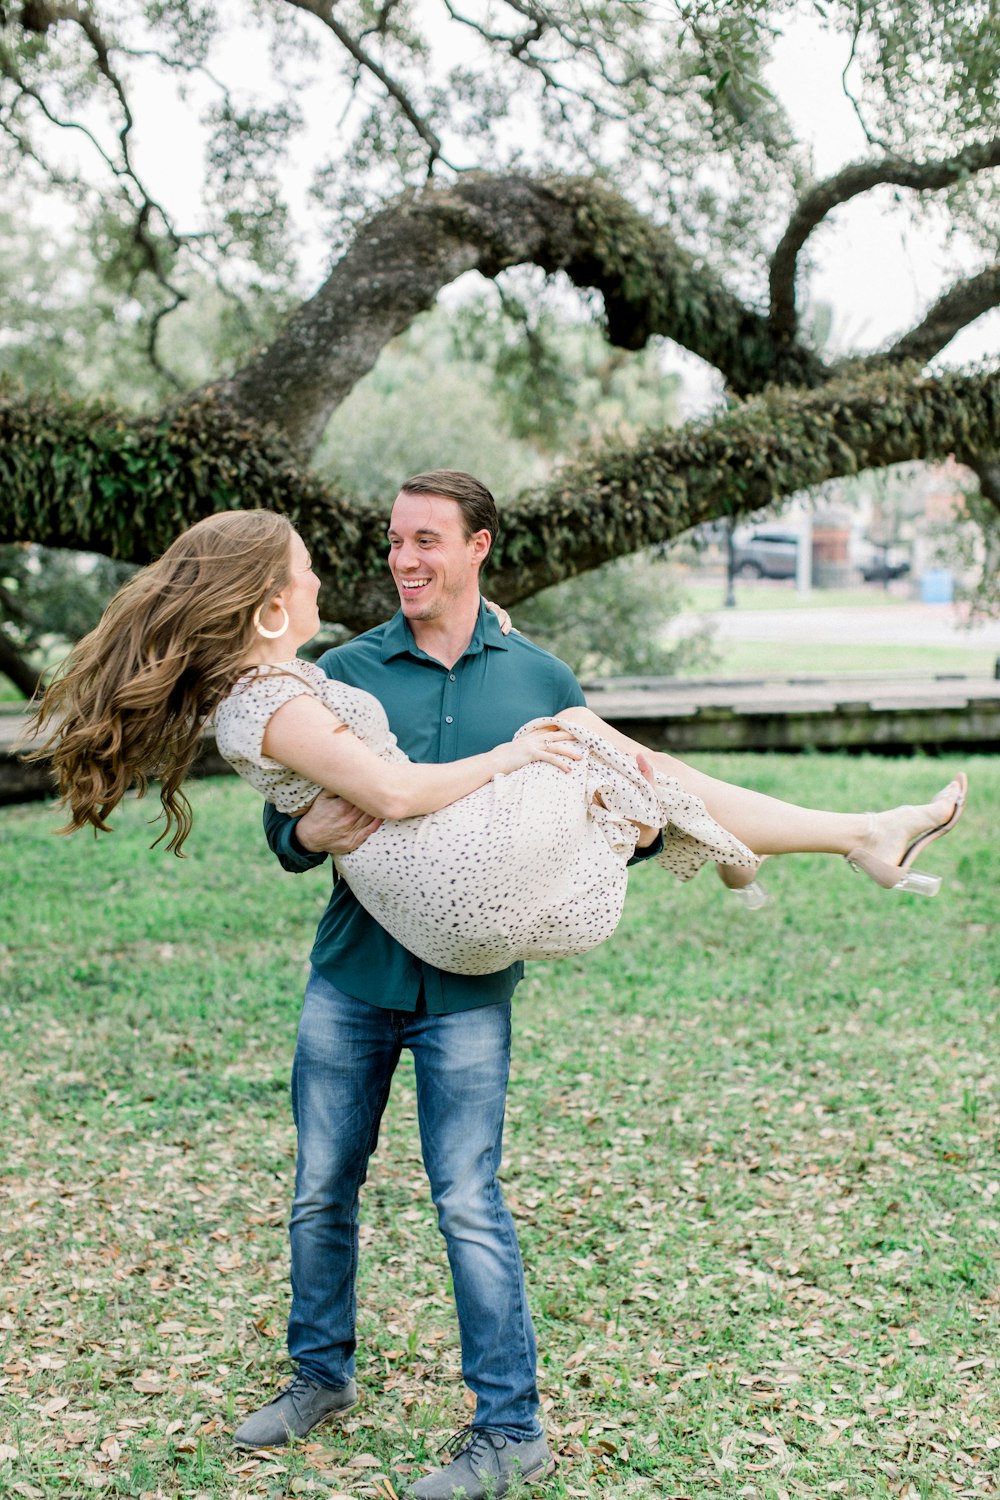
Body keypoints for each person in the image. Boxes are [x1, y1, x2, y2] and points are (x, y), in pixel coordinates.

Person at [26, 477, 966, 1500]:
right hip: (356, 970)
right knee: (319, 1189)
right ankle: (318, 1377)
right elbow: (297, 820)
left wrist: (632, 829)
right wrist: (306, 829)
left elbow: (554, 848)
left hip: (467, 981)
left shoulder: (533, 672)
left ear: (480, 548)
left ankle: (509, 1427)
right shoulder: (340, 668)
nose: (396, 560)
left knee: (470, 1199)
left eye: (425, 540)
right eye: (390, 541)